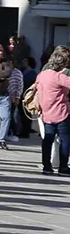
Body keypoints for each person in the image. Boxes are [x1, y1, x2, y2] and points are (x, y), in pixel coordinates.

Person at [35, 46, 70, 175]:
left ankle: (46, 166)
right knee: (65, 140)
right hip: (61, 112)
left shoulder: (42, 75)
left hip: (46, 112)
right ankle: (63, 167)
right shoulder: (58, 77)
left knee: (47, 140)